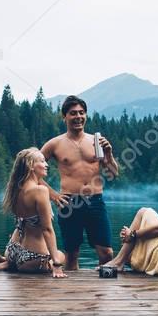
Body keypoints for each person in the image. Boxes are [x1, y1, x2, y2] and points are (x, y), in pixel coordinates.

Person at [40, 95, 119, 270]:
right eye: (73, 113)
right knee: (71, 255)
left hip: (95, 201)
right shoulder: (55, 144)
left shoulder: (96, 141)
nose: (78, 117)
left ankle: (100, 296)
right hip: (69, 202)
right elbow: (31, 171)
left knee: (107, 253)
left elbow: (113, 174)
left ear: (86, 115)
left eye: (82, 113)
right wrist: (54, 196)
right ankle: (72, 295)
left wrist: (109, 154)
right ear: (64, 117)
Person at [0, 148, 67, 278]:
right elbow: (47, 229)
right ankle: (2, 263)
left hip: (12, 250)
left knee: (17, 263)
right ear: (31, 166)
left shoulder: (15, 189)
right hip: (33, 257)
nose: (46, 165)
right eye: (42, 161)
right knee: (61, 256)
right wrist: (57, 264)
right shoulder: (40, 191)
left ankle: (0, 261)